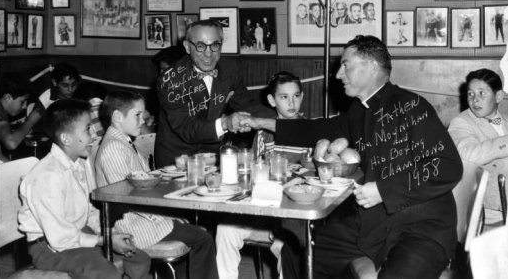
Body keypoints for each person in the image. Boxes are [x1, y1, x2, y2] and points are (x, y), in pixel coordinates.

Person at [241, 35, 463, 279]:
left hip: (422, 228)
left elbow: (448, 166)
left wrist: (382, 190)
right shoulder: (359, 111)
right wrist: (258, 121)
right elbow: (314, 129)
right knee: (295, 252)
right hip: (374, 223)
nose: (338, 74)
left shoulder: (411, 105)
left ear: (370, 67)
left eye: (346, 65)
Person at [18, 99, 151, 279]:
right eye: (88, 129)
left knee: (139, 258)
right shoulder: (46, 176)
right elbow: (60, 238)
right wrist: (105, 241)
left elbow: (89, 211)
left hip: (78, 233)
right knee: (105, 272)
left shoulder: (80, 163)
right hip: (50, 247)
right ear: (66, 138)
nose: (94, 135)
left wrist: (110, 234)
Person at [95, 89, 219, 279]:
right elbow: (124, 198)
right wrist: (164, 217)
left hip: (140, 216)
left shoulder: (122, 142)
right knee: (204, 239)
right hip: (133, 224)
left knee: (193, 230)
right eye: (137, 115)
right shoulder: (114, 148)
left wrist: (168, 215)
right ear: (118, 117)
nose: (143, 120)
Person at [216, 72, 305, 279]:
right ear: (272, 100)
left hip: (292, 215)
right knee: (225, 229)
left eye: (297, 96)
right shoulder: (263, 134)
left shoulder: (309, 130)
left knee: (288, 246)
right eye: (284, 97)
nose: (292, 102)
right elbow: (256, 172)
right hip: (264, 211)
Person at [155, 19, 274, 167]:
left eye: (215, 45)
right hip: (177, 160)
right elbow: (187, 128)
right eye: (200, 46)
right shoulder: (169, 79)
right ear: (187, 47)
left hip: (213, 157)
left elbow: (248, 105)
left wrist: (284, 120)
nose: (208, 54)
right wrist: (225, 123)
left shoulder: (230, 69)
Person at [448, 69, 508, 227]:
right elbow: (468, 155)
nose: (475, 100)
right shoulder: (461, 122)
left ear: (499, 96)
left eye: (482, 93)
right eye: (470, 94)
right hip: (486, 214)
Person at [0, 73, 42, 163]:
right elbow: (11, 142)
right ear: (7, 97)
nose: (24, 106)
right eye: (22, 101)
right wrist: (30, 121)